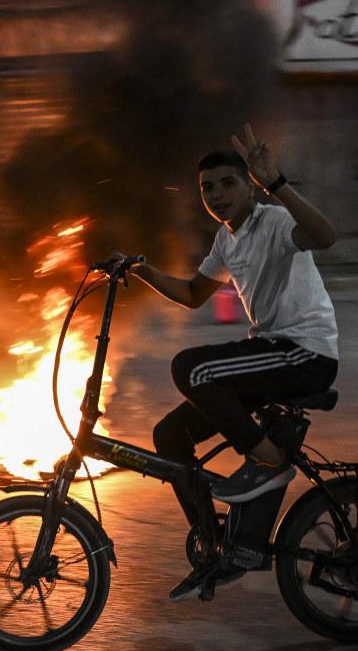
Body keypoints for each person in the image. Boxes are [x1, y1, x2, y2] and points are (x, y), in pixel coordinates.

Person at [122, 124, 339, 603]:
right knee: (169, 436)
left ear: (248, 185)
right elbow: (195, 294)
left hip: (305, 352)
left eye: (227, 184)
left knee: (192, 368)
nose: (216, 196)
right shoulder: (227, 239)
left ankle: (268, 460)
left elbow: (325, 236)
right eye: (207, 188)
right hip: (269, 353)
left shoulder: (274, 222)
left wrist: (276, 184)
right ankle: (215, 541)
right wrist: (143, 271)